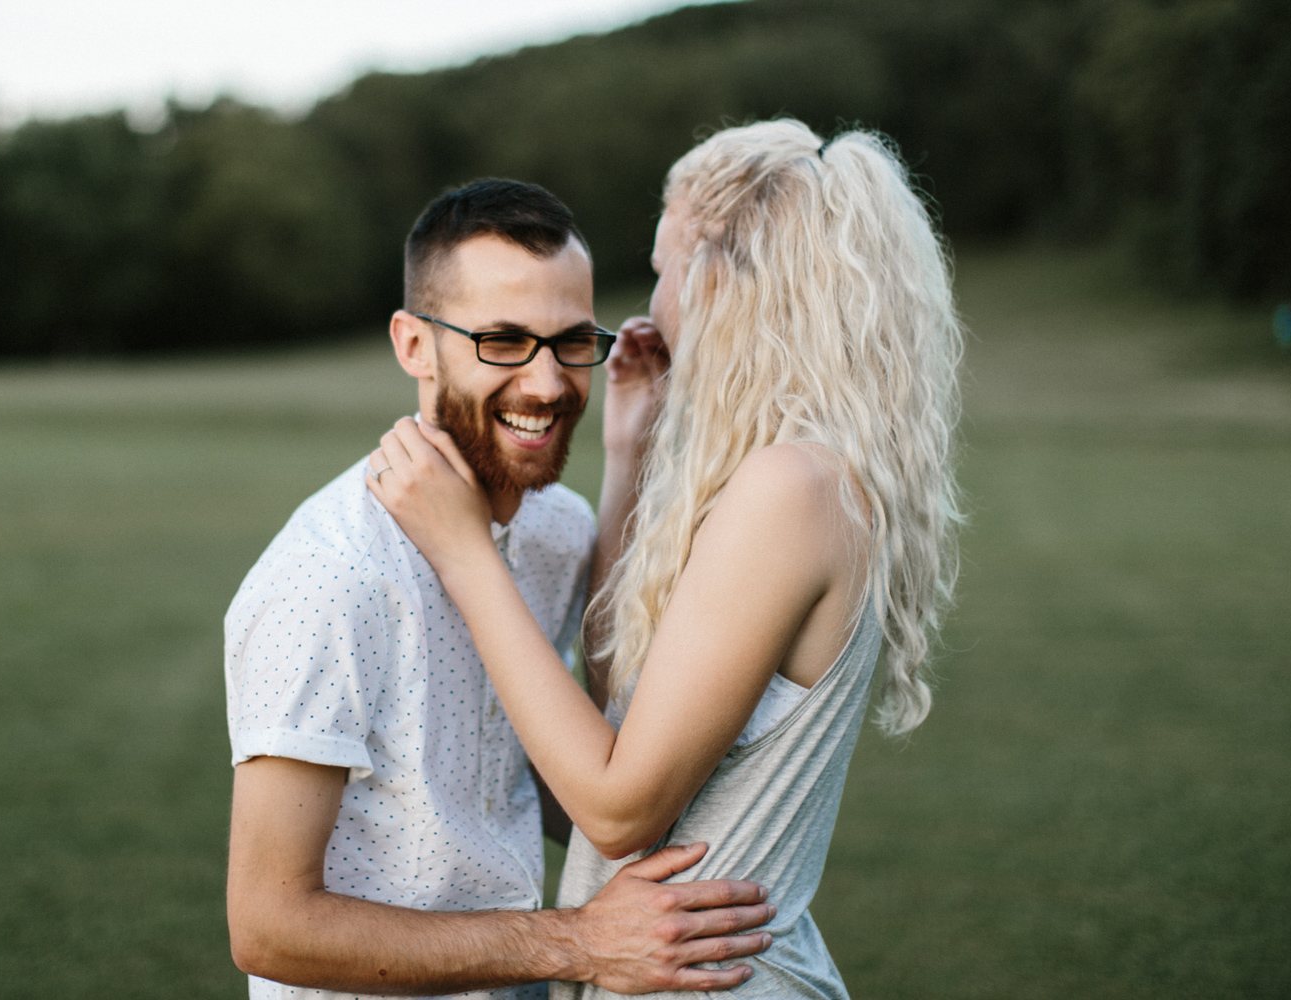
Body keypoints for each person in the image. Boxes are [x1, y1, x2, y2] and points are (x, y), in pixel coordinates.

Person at [367, 121, 964, 998]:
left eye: (664, 266)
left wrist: (464, 552)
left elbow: (613, 809)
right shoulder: (784, 478)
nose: (653, 302)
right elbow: (614, 709)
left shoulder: (792, 488)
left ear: (723, 278)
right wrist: (631, 458)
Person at [223, 178, 777, 1000]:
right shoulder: (329, 578)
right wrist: (578, 942)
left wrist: (628, 457)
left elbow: (537, 768)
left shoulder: (555, 529)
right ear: (414, 346)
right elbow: (269, 926)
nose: (549, 385)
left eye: (568, 340)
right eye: (504, 342)